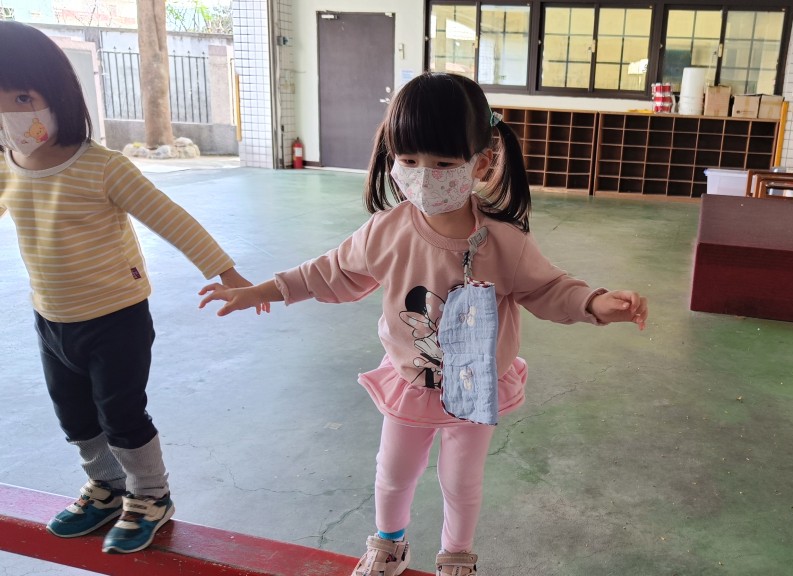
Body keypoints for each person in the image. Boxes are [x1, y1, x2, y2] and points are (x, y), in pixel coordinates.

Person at [198, 72, 648, 576]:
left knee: (462, 481)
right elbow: (329, 272)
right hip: (412, 383)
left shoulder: (504, 241)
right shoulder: (386, 231)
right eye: (408, 160)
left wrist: (594, 303)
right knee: (393, 473)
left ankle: (456, 556)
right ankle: (389, 545)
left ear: (481, 162)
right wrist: (262, 291)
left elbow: (548, 288)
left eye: (443, 164)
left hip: (476, 387)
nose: (422, 176)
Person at [0, 21, 264, 554]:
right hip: (51, 318)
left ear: (58, 94)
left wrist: (226, 271)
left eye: (23, 97)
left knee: (121, 413)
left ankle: (150, 494)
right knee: (74, 415)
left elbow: (172, 219)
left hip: (115, 317)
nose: (11, 113)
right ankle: (106, 486)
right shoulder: (8, 165)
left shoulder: (102, 167)